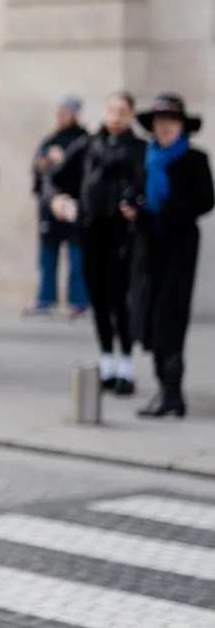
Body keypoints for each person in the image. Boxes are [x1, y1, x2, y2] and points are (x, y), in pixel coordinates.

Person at [127, 92, 214, 419]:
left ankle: (173, 392)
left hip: (178, 249)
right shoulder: (146, 157)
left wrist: (162, 211)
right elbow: (134, 190)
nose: (165, 128)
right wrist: (133, 206)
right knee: (148, 319)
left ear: (182, 126)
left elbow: (205, 201)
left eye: (171, 122)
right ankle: (164, 390)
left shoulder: (194, 159)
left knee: (170, 320)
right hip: (148, 250)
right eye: (160, 122)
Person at [77, 92, 146, 397]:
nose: (115, 117)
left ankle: (126, 362)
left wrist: (137, 204)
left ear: (131, 115)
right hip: (93, 229)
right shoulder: (90, 144)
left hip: (124, 233)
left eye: (122, 111)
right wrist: (58, 200)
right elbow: (57, 175)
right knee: (99, 298)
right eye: (111, 110)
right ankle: (107, 358)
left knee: (121, 299)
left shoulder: (140, 148)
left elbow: (146, 184)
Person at [27, 96, 89, 318]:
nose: (61, 117)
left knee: (77, 255)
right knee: (47, 255)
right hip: (49, 208)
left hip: (74, 205)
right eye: (59, 113)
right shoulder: (49, 140)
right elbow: (38, 172)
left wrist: (64, 161)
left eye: (65, 113)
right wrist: (43, 164)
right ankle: (45, 299)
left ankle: (80, 302)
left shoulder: (83, 140)